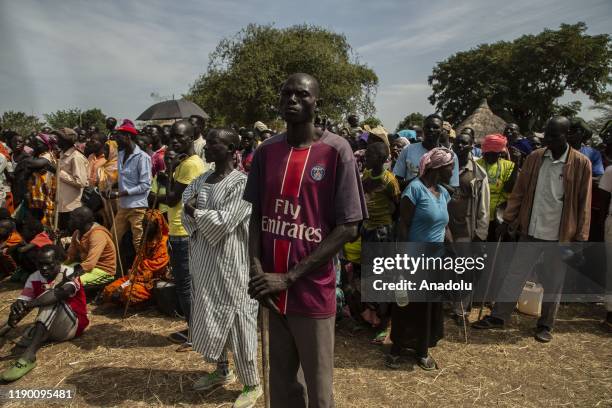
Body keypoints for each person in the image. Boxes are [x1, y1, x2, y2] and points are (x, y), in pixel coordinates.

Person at [245, 73, 367, 408]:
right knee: (282, 387)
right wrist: (256, 268)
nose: (292, 100)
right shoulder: (266, 151)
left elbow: (348, 227)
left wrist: (291, 276)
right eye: (286, 94)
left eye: (302, 94)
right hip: (272, 292)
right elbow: (256, 215)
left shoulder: (336, 150)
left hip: (311, 290)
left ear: (318, 103)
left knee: (319, 390)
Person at [473, 116, 592, 343]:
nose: (547, 139)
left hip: (560, 235)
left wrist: (580, 239)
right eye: (546, 134)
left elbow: (583, 203)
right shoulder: (536, 158)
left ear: (566, 136)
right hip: (531, 230)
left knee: (553, 282)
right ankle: (499, 317)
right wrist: (507, 220)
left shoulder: (580, 163)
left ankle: (545, 324)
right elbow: (519, 192)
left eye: (553, 136)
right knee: (515, 274)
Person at [182, 128, 262, 407]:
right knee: (210, 315)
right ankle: (221, 371)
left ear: (230, 149)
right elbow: (184, 206)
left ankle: (252, 383)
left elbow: (226, 221)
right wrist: (195, 212)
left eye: (215, 142)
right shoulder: (201, 178)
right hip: (204, 262)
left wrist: (196, 211)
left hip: (232, 264)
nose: (208, 145)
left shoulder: (242, 183)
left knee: (239, 320)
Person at [387, 147, 454, 371]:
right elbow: (403, 226)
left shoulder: (443, 193)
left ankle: (422, 350)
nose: (452, 171)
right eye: (450, 167)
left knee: (429, 306)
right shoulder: (414, 190)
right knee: (406, 304)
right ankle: (397, 349)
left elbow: (444, 226)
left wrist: (453, 253)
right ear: (438, 168)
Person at [149, 120, 205, 348]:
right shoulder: (184, 163)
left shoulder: (191, 164)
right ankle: (195, 328)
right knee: (186, 284)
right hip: (179, 228)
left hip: (184, 231)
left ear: (191, 138)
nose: (174, 142)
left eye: (180, 137)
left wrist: (158, 195)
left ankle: (195, 334)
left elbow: (173, 198)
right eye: (172, 137)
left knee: (185, 285)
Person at [0, 244, 89, 382]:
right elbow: (23, 301)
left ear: (59, 261)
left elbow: (61, 293)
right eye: (40, 264)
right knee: (24, 308)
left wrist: (29, 304)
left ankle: (29, 356)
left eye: (49, 264)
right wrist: (16, 310)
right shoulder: (34, 277)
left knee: (52, 297)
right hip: (51, 328)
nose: (44, 268)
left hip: (72, 325)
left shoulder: (70, 273)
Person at [448, 132, 489, 323]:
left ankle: (461, 310)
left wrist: (481, 234)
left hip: (466, 229)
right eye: (458, 143)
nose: (460, 147)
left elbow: (483, 206)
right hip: (444, 228)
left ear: (472, 146)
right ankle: (446, 304)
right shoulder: (444, 167)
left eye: (465, 144)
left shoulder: (478, 174)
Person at [361, 142, 400, 341]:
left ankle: (386, 323)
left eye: (369, 156)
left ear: (381, 159)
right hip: (367, 229)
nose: (365, 159)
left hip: (383, 232)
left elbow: (396, 207)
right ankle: (373, 316)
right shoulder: (366, 176)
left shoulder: (389, 180)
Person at [103, 119, 151, 274]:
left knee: (138, 242)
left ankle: (143, 273)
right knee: (113, 238)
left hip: (137, 206)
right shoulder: (121, 154)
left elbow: (145, 185)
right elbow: (122, 178)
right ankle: (115, 271)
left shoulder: (142, 157)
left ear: (128, 137)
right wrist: (111, 188)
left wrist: (121, 192)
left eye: (119, 137)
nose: (116, 140)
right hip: (123, 206)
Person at [102, 209, 169, 306]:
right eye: (144, 225)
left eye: (149, 226)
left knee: (128, 293)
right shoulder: (144, 241)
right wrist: (130, 279)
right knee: (109, 290)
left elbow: (158, 263)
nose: (145, 228)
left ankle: (147, 301)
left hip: (150, 282)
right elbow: (136, 263)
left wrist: (142, 266)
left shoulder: (163, 242)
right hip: (134, 278)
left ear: (157, 226)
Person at [393, 114, 460, 191]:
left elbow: (453, 190)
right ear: (423, 129)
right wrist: (419, 179)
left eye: (436, 127)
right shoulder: (408, 150)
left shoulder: (450, 156)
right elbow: (397, 184)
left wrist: (434, 179)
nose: (431, 130)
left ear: (441, 131)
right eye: (428, 127)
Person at [476, 134, 517, 240]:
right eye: (487, 153)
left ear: (499, 153)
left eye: (493, 154)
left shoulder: (509, 165)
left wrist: (516, 164)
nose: (489, 156)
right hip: (479, 211)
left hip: (499, 213)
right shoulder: (476, 164)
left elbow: (509, 188)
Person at [65, 207, 116, 287]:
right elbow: (70, 256)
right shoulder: (77, 233)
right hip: (86, 266)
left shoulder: (97, 235)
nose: (69, 221)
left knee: (71, 283)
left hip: (103, 270)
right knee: (58, 273)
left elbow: (90, 263)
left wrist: (70, 276)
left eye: (72, 219)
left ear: (83, 220)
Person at [53, 128, 89, 232]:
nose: (56, 140)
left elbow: (81, 182)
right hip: (61, 204)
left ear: (65, 140)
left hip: (71, 206)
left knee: (70, 236)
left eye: (58, 138)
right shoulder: (62, 154)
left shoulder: (76, 157)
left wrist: (58, 172)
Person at [25, 133, 57, 227]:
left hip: (44, 198)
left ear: (45, 145)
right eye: (34, 143)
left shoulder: (46, 156)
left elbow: (30, 164)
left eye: (37, 144)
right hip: (39, 198)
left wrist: (32, 165)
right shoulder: (39, 156)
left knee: (45, 224)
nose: (34, 146)